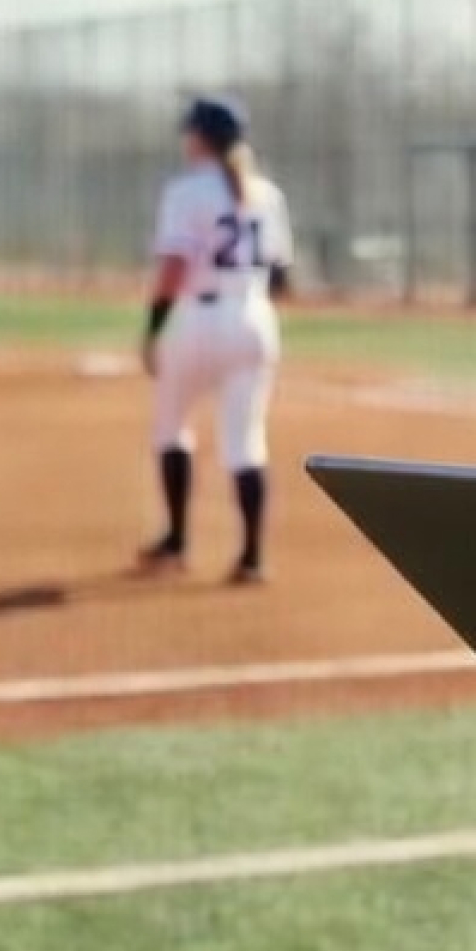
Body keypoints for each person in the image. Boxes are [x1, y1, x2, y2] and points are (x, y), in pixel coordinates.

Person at [137, 94, 294, 586]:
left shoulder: (187, 191)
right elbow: (282, 277)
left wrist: (154, 327)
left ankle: (178, 541)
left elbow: (173, 269)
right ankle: (252, 558)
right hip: (254, 319)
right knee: (246, 443)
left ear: (201, 138)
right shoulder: (266, 193)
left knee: (172, 428)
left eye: (190, 132)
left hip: (197, 320)